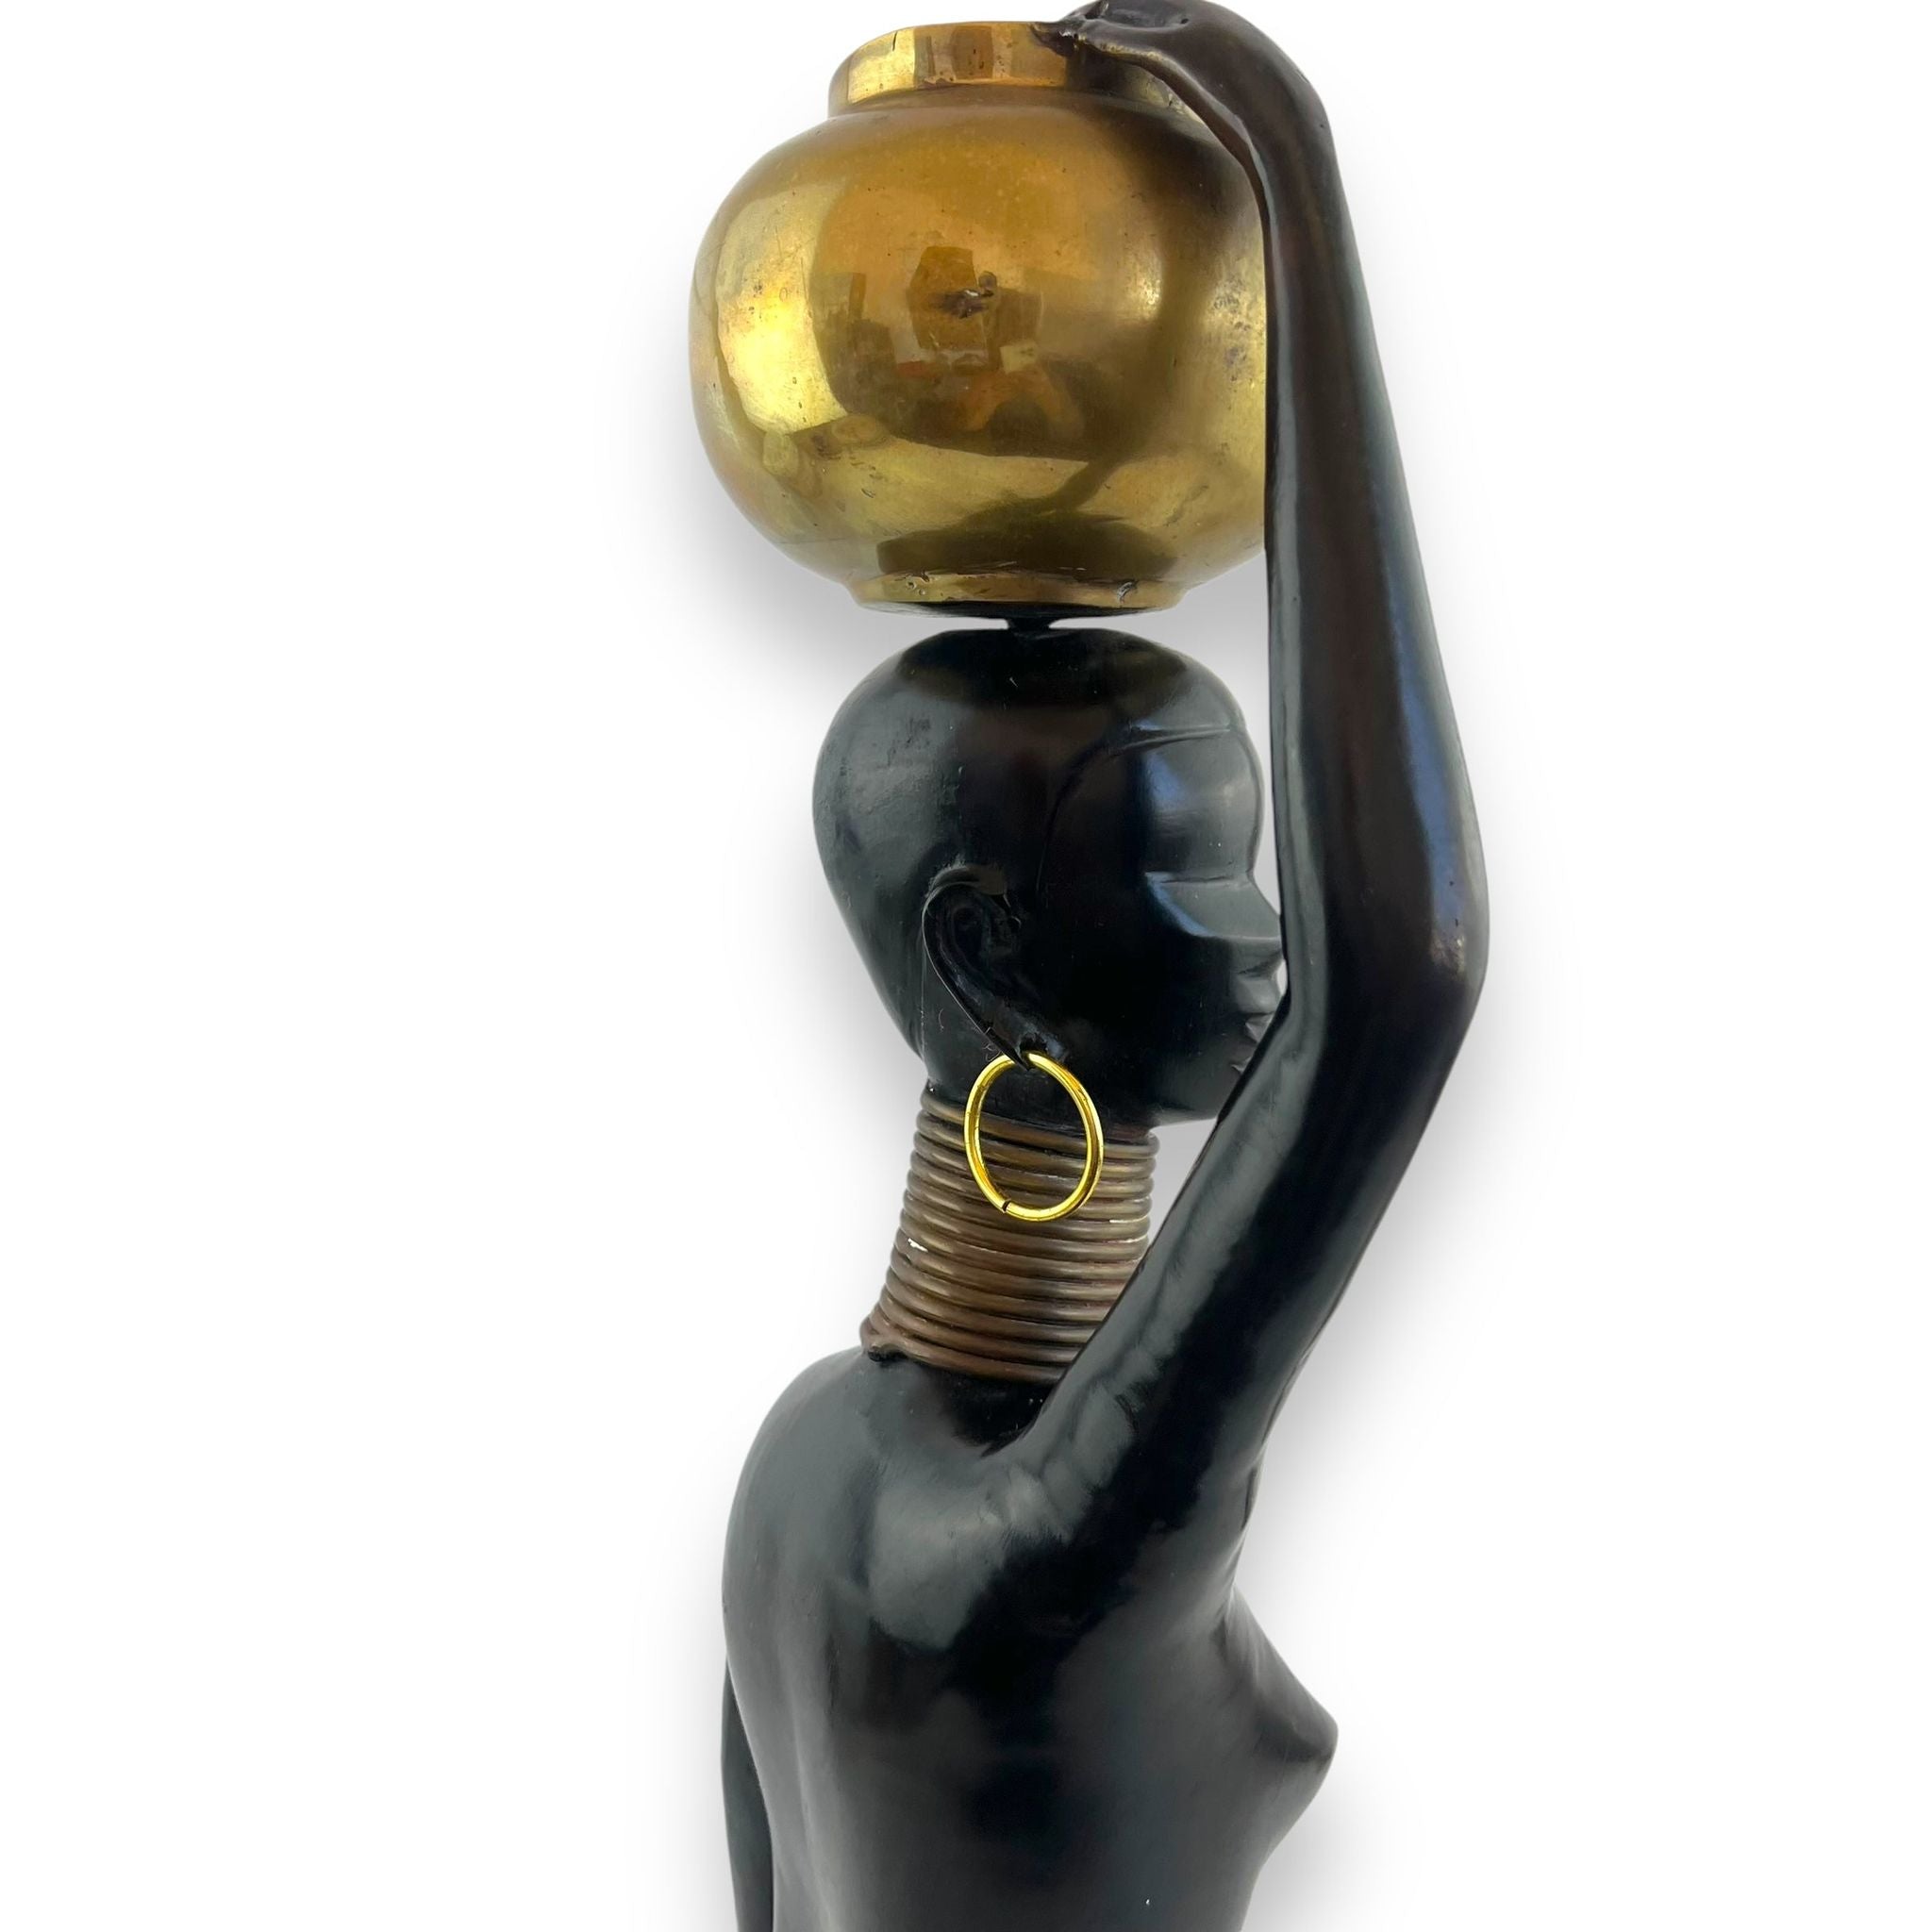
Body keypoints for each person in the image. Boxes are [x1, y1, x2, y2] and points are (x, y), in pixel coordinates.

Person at [720, 6, 1488, 1927]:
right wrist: (1293, 189)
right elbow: (1397, 983)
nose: (1270, 938)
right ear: (988, 964)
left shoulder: (801, 1473)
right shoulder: (1052, 1551)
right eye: (1199, 873)